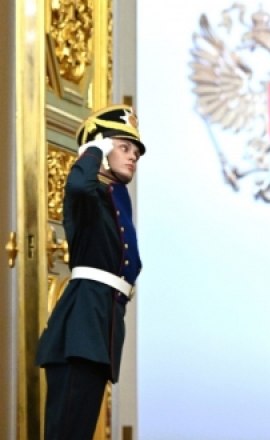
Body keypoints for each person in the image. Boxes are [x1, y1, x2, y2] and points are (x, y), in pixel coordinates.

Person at [36, 104, 145, 439]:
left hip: (100, 327)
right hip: (81, 327)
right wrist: (93, 149)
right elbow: (79, 187)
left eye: (136, 152)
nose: (133, 156)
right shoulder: (88, 193)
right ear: (102, 148)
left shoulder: (115, 196)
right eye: (123, 147)